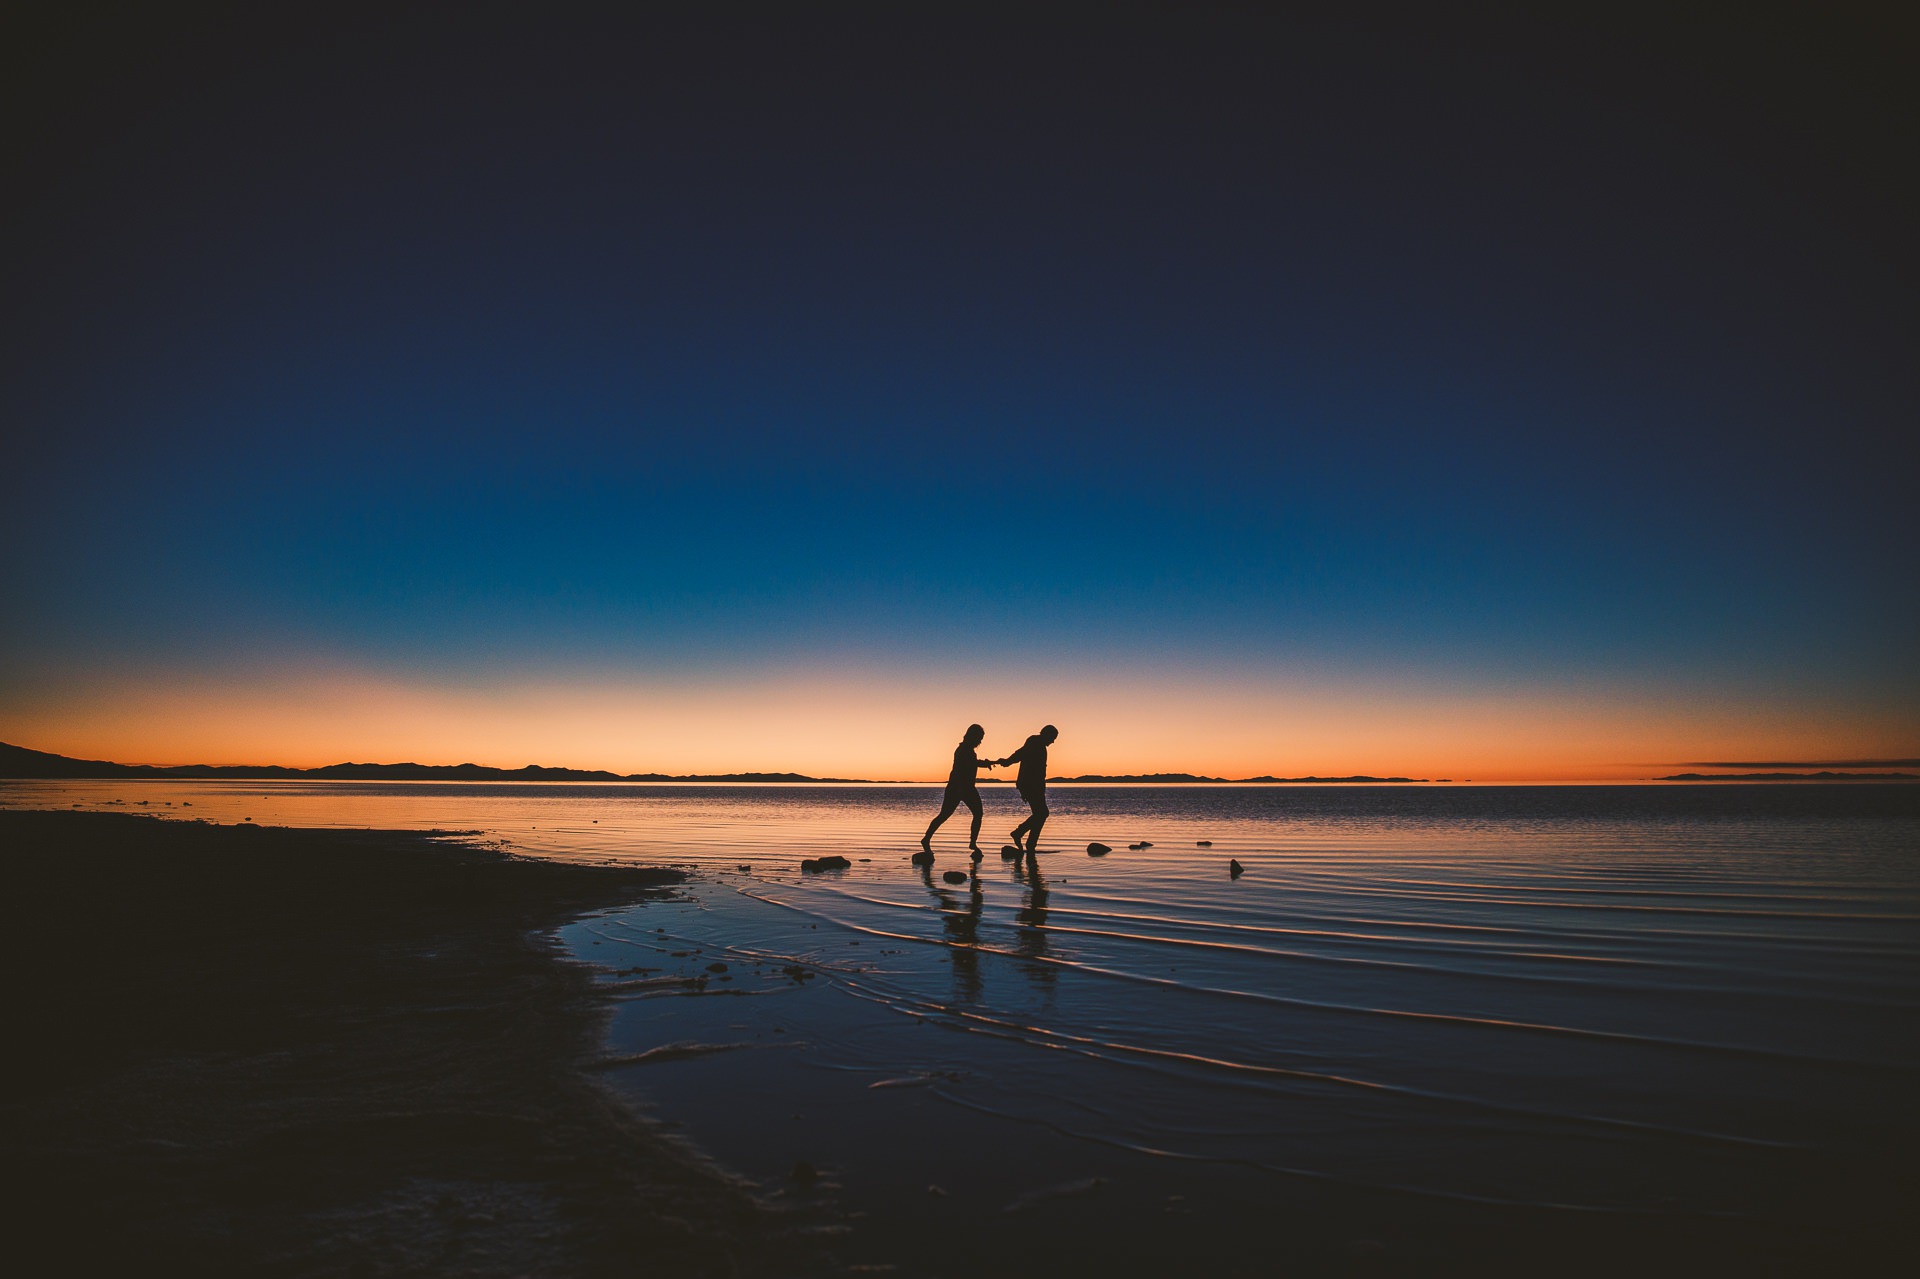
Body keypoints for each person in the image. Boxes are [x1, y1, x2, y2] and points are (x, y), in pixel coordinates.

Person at [922, 723, 988, 852]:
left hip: (963, 787)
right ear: (972, 736)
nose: (980, 741)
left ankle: (972, 843)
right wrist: (985, 763)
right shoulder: (963, 750)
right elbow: (966, 766)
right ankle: (927, 839)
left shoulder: (967, 749)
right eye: (979, 738)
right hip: (960, 787)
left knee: (975, 814)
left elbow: (972, 763)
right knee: (947, 815)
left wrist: (987, 763)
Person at [994, 724, 1058, 853]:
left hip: (1036, 785)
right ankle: (1021, 835)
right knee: (1042, 813)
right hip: (1030, 784)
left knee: (1040, 814)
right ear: (1046, 734)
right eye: (1052, 738)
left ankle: (1027, 841)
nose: (1053, 741)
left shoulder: (1040, 745)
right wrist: (1007, 762)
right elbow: (1020, 754)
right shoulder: (1035, 742)